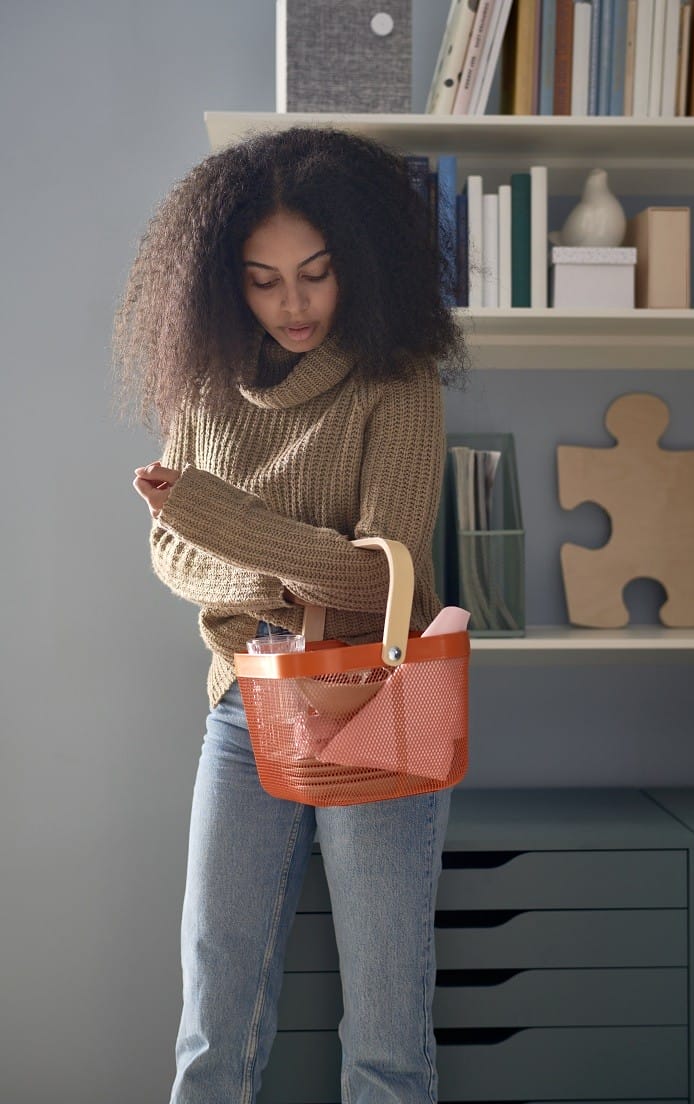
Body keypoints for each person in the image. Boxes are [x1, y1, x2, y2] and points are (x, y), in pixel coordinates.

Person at [113, 125, 466, 1104]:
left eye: (314, 273)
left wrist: (220, 515)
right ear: (227, 280)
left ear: (354, 263)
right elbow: (169, 552)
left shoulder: (397, 380)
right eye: (264, 279)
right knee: (211, 1012)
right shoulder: (200, 383)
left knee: (388, 1030)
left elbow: (374, 579)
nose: (294, 303)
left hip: (377, 701)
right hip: (244, 701)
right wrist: (273, 580)